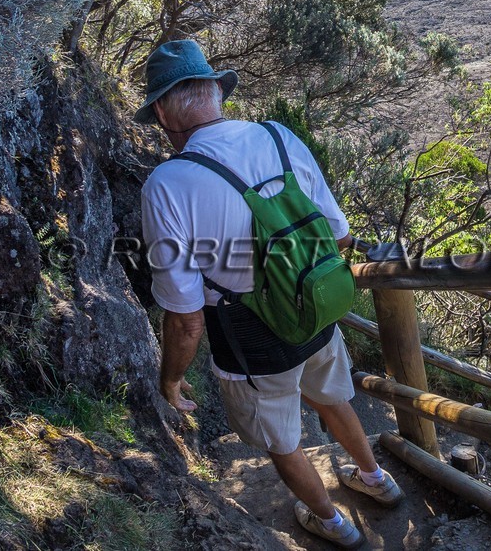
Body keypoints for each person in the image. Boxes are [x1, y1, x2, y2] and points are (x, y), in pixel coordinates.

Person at [137, 39, 402, 548]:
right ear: (216, 91)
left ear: (165, 110)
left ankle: (332, 524)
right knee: (332, 398)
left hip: (253, 341)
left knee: (283, 440)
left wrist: (170, 380)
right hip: (318, 310)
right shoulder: (278, 137)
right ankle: (376, 481)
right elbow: (340, 237)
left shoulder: (168, 184)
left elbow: (186, 318)